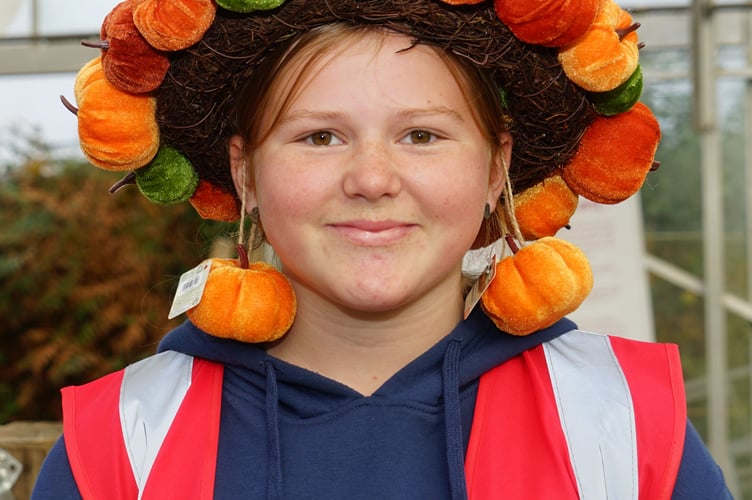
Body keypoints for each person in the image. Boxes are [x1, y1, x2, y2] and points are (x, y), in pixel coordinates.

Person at [33, 0, 732, 498]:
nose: (371, 180)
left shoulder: (627, 422)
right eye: (319, 137)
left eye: (422, 135)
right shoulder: (119, 446)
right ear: (246, 174)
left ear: (495, 169)